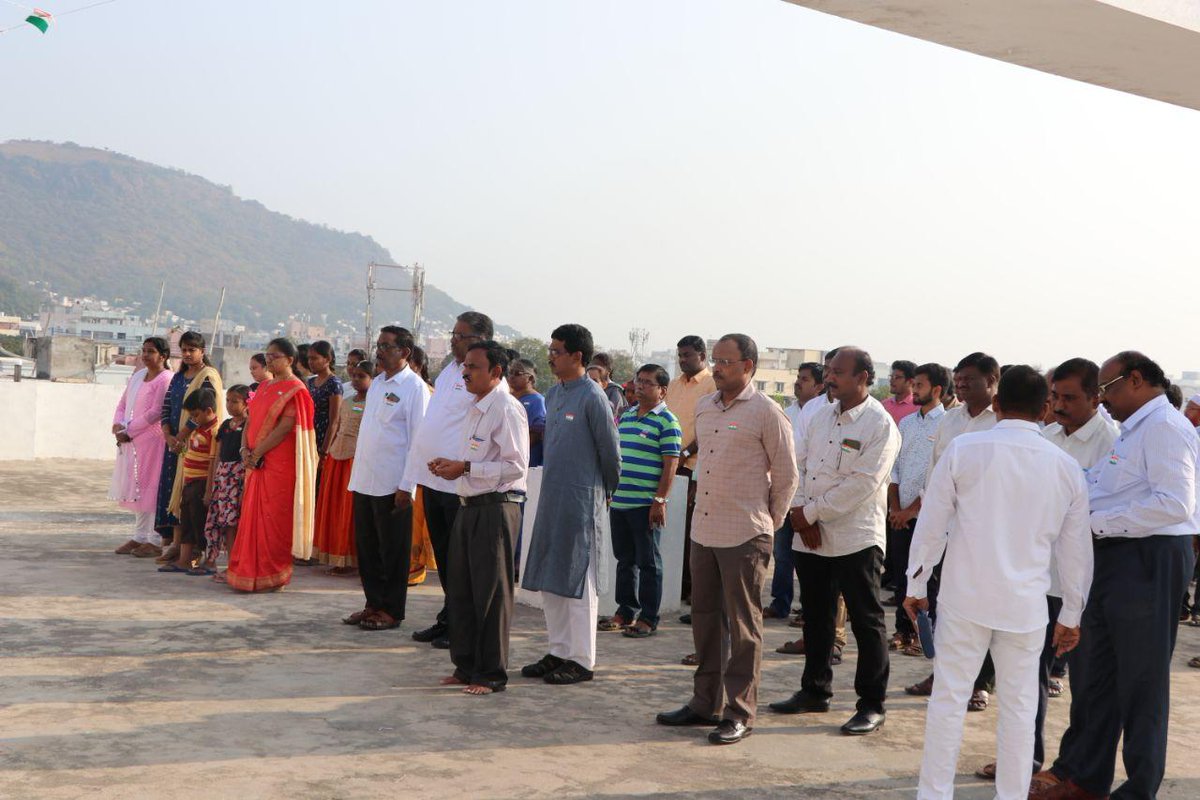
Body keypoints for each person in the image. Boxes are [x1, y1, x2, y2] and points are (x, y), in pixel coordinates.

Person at [904, 365, 1093, 800]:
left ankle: (934, 794)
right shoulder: (1064, 466)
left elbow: (932, 525)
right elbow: (1076, 551)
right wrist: (1071, 614)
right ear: (1045, 408)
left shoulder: (965, 449)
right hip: (1025, 607)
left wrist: (917, 585)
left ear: (997, 404)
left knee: (949, 701)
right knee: (1020, 709)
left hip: (963, 599)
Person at [1033, 352, 1199, 800]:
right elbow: (1105, 487)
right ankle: (1086, 778)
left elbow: (1175, 504)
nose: (1102, 399)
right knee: (1097, 672)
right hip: (1115, 558)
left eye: (1107, 389)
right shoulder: (1134, 430)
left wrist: (1097, 523)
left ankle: (1139, 788)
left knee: (1141, 682)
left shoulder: (1164, 428)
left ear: (1138, 380)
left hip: (1148, 557)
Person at [973, 358, 1118, 784]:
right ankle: (1024, 760)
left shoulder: (1111, 443)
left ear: (1097, 397)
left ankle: (1076, 771)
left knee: (1085, 682)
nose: (1059, 405)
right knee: (1023, 677)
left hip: (1080, 579)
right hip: (1035, 575)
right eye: (1054, 396)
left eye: (1070, 398)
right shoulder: (1047, 437)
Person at [656, 333, 797, 745]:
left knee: (742, 627)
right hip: (705, 529)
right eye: (715, 360)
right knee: (705, 621)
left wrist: (766, 525)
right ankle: (705, 703)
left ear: (748, 367)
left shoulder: (768, 413)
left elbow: (787, 477)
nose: (716, 368)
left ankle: (740, 711)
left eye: (725, 362)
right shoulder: (705, 408)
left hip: (745, 535)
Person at [770, 347, 899, 736]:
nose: (830, 378)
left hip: (855, 537)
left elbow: (862, 484)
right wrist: (798, 509)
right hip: (810, 534)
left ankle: (872, 703)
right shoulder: (818, 415)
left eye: (838, 372)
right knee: (817, 616)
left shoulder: (880, 424)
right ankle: (815, 690)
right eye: (828, 371)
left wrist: (809, 514)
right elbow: (797, 464)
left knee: (866, 620)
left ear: (863, 378)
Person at [520, 324, 621, 685]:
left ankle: (582, 659)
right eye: (550, 349)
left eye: (556, 350)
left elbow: (611, 455)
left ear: (577, 356)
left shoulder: (593, 397)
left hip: (582, 502)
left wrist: (601, 494)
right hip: (552, 499)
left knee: (581, 581)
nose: (550, 356)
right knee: (552, 577)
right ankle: (558, 649)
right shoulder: (553, 394)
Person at [428, 341, 529, 695]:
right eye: (464, 366)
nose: (465, 372)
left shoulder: (506, 408)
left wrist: (466, 467)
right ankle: (466, 665)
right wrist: (450, 466)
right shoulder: (475, 405)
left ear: (496, 372)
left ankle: (490, 673)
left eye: (473, 366)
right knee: (462, 589)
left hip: (496, 507)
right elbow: (472, 453)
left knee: (491, 593)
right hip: (468, 504)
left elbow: (515, 466)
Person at [906, 351, 1000, 705]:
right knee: (947, 606)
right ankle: (943, 673)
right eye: (958, 381)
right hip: (948, 530)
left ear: (992, 382)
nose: (960, 387)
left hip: (988, 534)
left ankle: (980, 684)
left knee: (985, 610)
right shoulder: (951, 421)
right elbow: (936, 471)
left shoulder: (1002, 422)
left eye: (969, 381)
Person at [404, 311, 502, 649]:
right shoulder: (449, 371)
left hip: (460, 484)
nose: (453, 340)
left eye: (461, 336)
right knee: (446, 559)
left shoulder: (487, 382)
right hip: (434, 480)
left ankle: (463, 626)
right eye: (453, 334)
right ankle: (449, 618)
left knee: (462, 562)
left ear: (481, 340)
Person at [342, 327, 429, 630]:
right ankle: (373, 604)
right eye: (378, 345)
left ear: (404, 352)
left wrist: (408, 486)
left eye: (386, 346)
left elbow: (419, 441)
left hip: (394, 483)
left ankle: (392, 610)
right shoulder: (377, 383)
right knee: (367, 547)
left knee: (392, 550)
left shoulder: (414, 388)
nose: (379, 351)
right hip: (365, 478)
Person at [226, 338, 318, 592]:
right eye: (267, 355)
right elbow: (249, 419)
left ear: (290, 360)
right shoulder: (264, 386)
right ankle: (247, 570)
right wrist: (245, 449)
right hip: (255, 461)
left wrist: (257, 452)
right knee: (251, 516)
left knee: (274, 518)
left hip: (278, 463)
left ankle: (273, 574)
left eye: (274, 356)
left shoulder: (296, 389)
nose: (269, 360)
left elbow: (286, 426)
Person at [598, 364, 682, 638]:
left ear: (662, 390)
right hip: (620, 501)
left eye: (648, 383)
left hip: (646, 504)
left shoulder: (667, 421)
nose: (641, 386)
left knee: (649, 563)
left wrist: (660, 500)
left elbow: (671, 465)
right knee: (624, 560)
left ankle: (648, 618)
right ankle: (625, 611)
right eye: (639, 381)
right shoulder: (627, 415)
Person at [884, 363, 948, 650]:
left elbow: (939, 478)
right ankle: (902, 631)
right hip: (899, 514)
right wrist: (896, 509)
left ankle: (924, 634)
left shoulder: (947, 425)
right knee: (901, 575)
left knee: (926, 576)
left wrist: (912, 510)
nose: (915, 389)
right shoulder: (906, 423)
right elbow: (895, 468)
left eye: (920, 385)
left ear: (936, 389)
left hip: (928, 516)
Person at [155, 330, 224, 565]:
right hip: (174, 445)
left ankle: (191, 548)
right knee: (174, 493)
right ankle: (175, 542)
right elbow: (166, 407)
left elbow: (204, 411)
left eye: (191, 350)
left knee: (191, 498)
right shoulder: (177, 377)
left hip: (195, 446)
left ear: (202, 351)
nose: (186, 354)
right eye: (183, 350)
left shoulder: (207, 377)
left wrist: (182, 436)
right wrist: (168, 436)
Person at [766, 362, 826, 622]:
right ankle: (780, 603)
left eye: (804, 379)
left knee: (809, 556)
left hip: (811, 497)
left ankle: (809, 608)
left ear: (819, 386)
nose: (798, 383)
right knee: (782, 554)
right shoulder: (785, 412)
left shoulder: (826, 413)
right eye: (797, 377)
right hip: (785, 493)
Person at [664, 335, 716, 615]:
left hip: (695, 465)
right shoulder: (673, 385)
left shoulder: (711, 384)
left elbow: (709, 426)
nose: (682, 360)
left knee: (690, 530)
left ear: (702, 355)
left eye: (687, 355)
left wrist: (685, 454)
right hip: (670, 463)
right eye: (679, 356)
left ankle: (691, 588)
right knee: (670, 526)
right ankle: (676, 585)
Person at [111, 337, 174, 558]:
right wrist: (118, 424)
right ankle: (139, 536)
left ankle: (155, 539)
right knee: (138, 488)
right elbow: (122, 403)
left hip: (154, 440)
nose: (145, 355)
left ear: (163, 356)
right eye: (144, 351)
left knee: (153, 487)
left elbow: (156, 411)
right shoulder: (138, 376)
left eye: (151, 352)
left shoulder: (166, 379)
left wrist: (129, 429)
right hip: (133, 441)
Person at [313, 360, 373, 576]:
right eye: (354, 375)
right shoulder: (347, 401)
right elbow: (336, 425)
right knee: (333, 506)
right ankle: (335, 555)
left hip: (355, 458)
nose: (356, 379)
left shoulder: (375, 403)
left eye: (362, 376)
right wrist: (326, 451)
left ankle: (350, 558)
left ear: (373, 379)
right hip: (336, 456)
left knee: (348, 509)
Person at [158, 388, 221, 575]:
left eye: (196, 415)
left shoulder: (214, 432)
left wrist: (209, 490)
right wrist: (181, 453)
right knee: (186, 521)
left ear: (209, 411)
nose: (193, 419)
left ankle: (209, 561)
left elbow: (212, 463)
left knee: (201, 522)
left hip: (201, 483)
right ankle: (184, 560)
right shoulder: (197, 429)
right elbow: (190, 453)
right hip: (190, 481)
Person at [203, 385, 250, 580]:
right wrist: (211, 485)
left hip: (238, 477)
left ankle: (234, 566)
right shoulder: (225, 426)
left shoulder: (249, 425)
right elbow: (218, 456)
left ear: (247, 403)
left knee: (234, 524)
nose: (230, 405)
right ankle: (219, 561)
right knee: (220, 521)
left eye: (235, 401)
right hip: (223, 478)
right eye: (228, 400)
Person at [507, 358, 546, 469]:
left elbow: (536, 434)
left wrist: (515, 452)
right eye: (510, 372)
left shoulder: (537, 400)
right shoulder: (508, 398)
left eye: (517, 373)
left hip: (525, 462)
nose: (512, 376)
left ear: (531, 378)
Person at [306, 340, 343, 457]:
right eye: (309, 358)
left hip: (322, 441)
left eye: (314, 358)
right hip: (308, 437)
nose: (310, 362)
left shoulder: (333, 383)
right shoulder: (310, 382)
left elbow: (334, 421)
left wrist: (324, 451)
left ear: (327, 359)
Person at [587, 352, 628, 418]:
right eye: (593, 365)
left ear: (608, 371)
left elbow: (613, 413)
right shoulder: (588, 386)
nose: (595, 368)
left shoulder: (615, 390)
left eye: (599, 366)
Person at [882, 360, 919, 426]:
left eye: (897, 377)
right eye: (891, 376)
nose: (891, 380)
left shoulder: (918, 408)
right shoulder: (884, 405)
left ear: (910, 381)